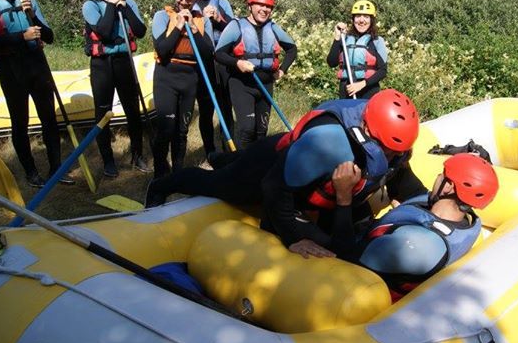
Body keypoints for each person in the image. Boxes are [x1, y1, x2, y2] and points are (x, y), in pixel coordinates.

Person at [145, 88, 426, 260]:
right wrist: (293, 238)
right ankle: (162, 184)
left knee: (349, 237)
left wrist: (428, 213)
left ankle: (223, 158)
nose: (392, 158)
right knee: (218, 184)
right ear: (367, 131)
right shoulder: (329, 143)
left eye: (395, 152)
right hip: (271, 165)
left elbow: (409, 186)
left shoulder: (394, 148)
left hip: (306, 170)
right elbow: (273, 188)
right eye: (387, 150)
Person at [357, 153, 499, 300]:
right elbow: (412, 190)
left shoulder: (416, 245)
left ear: (449, 186)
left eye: (442, 174)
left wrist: (343, 200)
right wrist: (400, 157)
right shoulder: (464, 219)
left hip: (361, 282)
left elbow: (348, 255)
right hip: (379, 255)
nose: (438, 176)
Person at [0, 0, 74, 187]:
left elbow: (49, 36)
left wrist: (33, 16)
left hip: (37, 66)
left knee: (49, 119)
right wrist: (22, 36)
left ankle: (56, 170)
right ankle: (31, 173)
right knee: (20, 122)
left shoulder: (29, 2)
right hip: (11, 71)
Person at [82, 0, 151, 177]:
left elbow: (140, 31)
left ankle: (137, 156)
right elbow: (103, 32)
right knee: (103, 112)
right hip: (102, 64)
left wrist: (125, 7)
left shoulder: (128, 2)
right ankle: (108, 160)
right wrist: (112, 5)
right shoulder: (90, 6)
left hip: (124, 61)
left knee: (132, 109)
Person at [215, 0, 297, 149]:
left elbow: (292, 49)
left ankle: (257, 167)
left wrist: (282, 70)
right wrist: (237, 63)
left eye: (268, 7)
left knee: (261, 131)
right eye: (260, 5)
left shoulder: (273, 28)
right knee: (247, 129)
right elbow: (219, 54)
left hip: (265, 84)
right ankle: (241, 167)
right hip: (242, 84)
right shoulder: (236, 26)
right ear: (250, 6)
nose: (264, 10)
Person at [150, 0, 215, 178]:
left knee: (181, 130)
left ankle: (178, 169)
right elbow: (162, 49)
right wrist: (178, 26)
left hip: (190, 79)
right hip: (166, 77)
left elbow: (207, 53)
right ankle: (160, 169)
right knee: (166, 127)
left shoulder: (202, 21)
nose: (184, 2)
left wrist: (194, 28)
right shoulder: (163, 16)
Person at [188, 0, 235, 157]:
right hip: (201, 62)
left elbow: (234, 30)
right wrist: (201, 19)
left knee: (225, 106)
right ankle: (210, 150)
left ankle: (229, 147)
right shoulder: (188, 4)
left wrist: (219, 19)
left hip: (221, 60)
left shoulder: (221, 2)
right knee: (206, 108)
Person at [326, 0, 388, 99]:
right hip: (346, 90)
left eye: (366, 17)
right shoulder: (344, 39)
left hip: (369, 90)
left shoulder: (377, 41)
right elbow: (331, 63)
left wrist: (362, 84)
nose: (361, 20)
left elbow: (383, 71)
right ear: (353, 19)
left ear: (371, 20)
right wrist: (337, 37)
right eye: (358, 16)